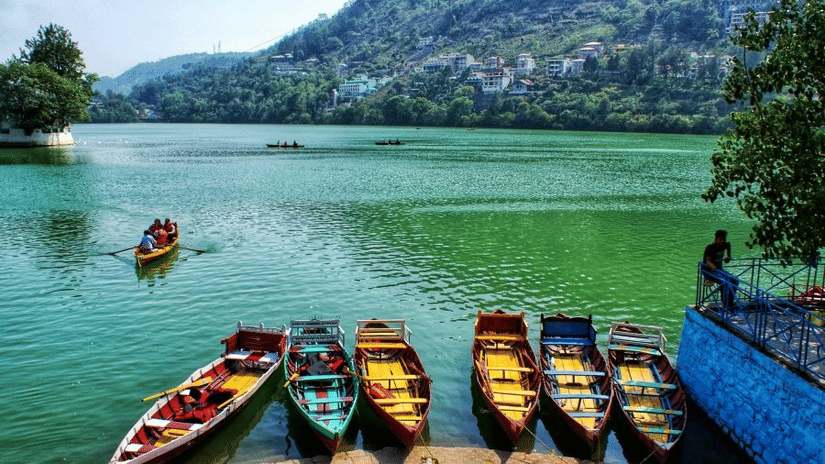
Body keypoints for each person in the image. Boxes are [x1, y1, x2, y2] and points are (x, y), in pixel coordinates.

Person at [702, 229, 738, 311]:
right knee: (724, 282)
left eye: (724, 239)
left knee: (735, 281)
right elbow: (707, 261)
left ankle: (730, 302)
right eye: (720, 239)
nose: (722, 241)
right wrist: (712, 266)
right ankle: (725, 304)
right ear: (716, 239)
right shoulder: (710, 247)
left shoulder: (727, 244)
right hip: (708, 271)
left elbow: (728, 256)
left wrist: (727, 258)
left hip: (719, 270)